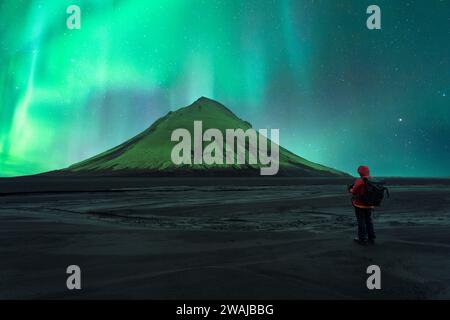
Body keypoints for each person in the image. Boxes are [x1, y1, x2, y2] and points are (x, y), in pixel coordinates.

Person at [348, 165, 376, 245]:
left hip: (360, 204)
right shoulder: (373, 179)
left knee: (361, 222)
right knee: (369, 221)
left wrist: (350, 189)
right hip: (370, 204)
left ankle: (362, 239)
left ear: (360, 172)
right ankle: (371, 238)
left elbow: (354, 192)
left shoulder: (360, 180)